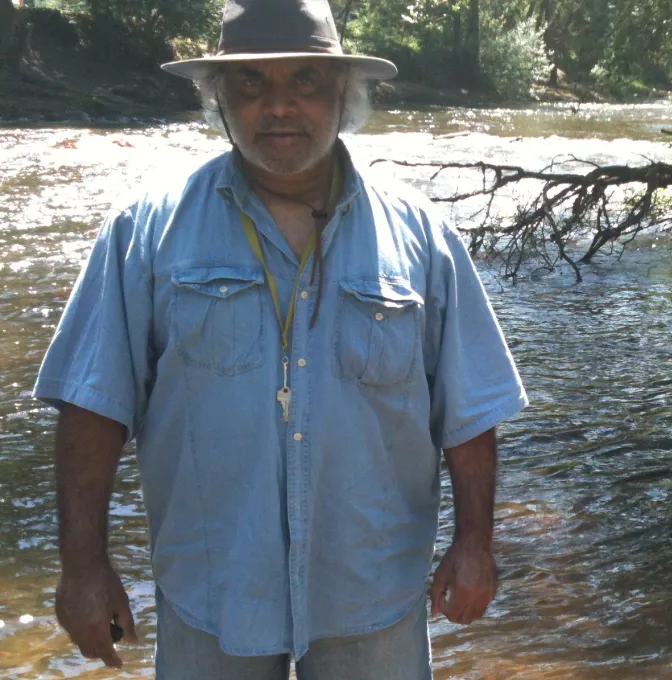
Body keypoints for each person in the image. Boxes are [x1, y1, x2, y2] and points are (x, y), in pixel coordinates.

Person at [32, 0, 528, 677]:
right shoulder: (144, 232)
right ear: (220, 99)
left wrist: (475, 544)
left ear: (343, 95)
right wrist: (82, 567)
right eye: (251, 83)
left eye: (305, 81)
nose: (279, 105)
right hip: (213, 591)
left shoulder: (422, 237)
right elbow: (93, 407)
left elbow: (469, 409)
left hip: (371, 593)